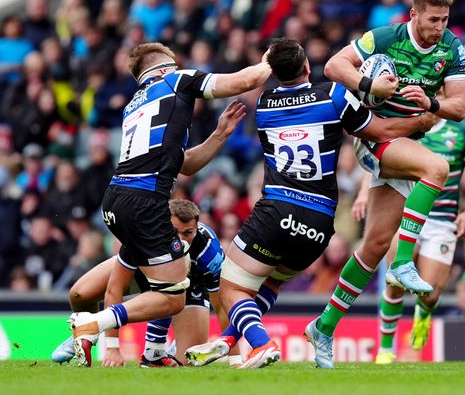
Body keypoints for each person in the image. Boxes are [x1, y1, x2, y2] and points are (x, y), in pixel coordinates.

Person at [183, 38, 437, 369]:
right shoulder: (334, 94)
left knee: (231, 288)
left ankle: (260, 344)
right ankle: (228, 339)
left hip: (277, 210)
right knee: (272, 281)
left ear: (271, 71)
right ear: (307, 67)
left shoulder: (264, 104)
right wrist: (420, 120)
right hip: (318, 224)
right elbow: (382, 131)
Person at [68, 42, 271, 367]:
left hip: (116, 199)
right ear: (163, 69)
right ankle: (93, 325)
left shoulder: (135, 105)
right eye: (174, 65)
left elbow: (184, 165)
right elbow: (244, 81)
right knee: (171, 297)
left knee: (162, 286)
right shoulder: (175, 82)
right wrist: (269, 63)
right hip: (144, 200)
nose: (178, 69)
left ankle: (143, 350)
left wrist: (218, 136)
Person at [307, 0, 465, 369]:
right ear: (414, 15)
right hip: (372, 134)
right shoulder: (385, 37)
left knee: (375, 244)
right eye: (433, 20)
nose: (439, 28)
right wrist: (370, 84)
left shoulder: (452, 47)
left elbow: (460, 107)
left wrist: (431, 102)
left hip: (403, 141)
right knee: (438, 167)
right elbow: (333, 66)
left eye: (445, 20)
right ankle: (405, 261)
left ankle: (324, 326)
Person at [358, 119, 465, 364]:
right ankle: (386, 349)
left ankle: (423, 313)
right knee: (394, 281)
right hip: (405, 213)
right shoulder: (404, 124)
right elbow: (379, 161)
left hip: (442, 222)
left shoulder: (461, 132)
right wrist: (364, 195)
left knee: (428, 294)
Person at [51, 199, 226, 367]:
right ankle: (85, 333)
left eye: (187, 233)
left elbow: (220, 305)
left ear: (196, 228)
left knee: (188, 359)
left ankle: (169, 349)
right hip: (143, 272)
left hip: (190, 287)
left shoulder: (209, 250)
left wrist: (233, 354)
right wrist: (112, 349)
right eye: (174, 231)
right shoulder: (142, 234)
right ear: (164, 224)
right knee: (79, 294)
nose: (180, 239)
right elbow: (114, 289)